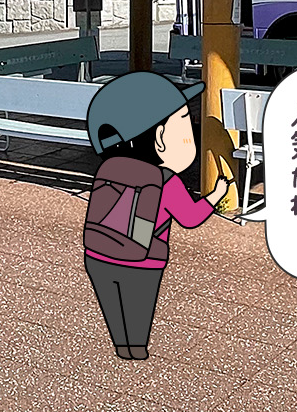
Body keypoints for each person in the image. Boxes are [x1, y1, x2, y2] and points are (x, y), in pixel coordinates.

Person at [82, 72, 231, 360]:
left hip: (97, 255)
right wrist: (215, 196)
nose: (193, 130)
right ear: (161, 138)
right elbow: (190, 218)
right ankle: (134, 347)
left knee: (113, 303)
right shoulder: (166, 182)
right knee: (138, 305)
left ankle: (119, 342)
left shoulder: (109, 168)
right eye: (186, 121)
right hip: (144, 260)